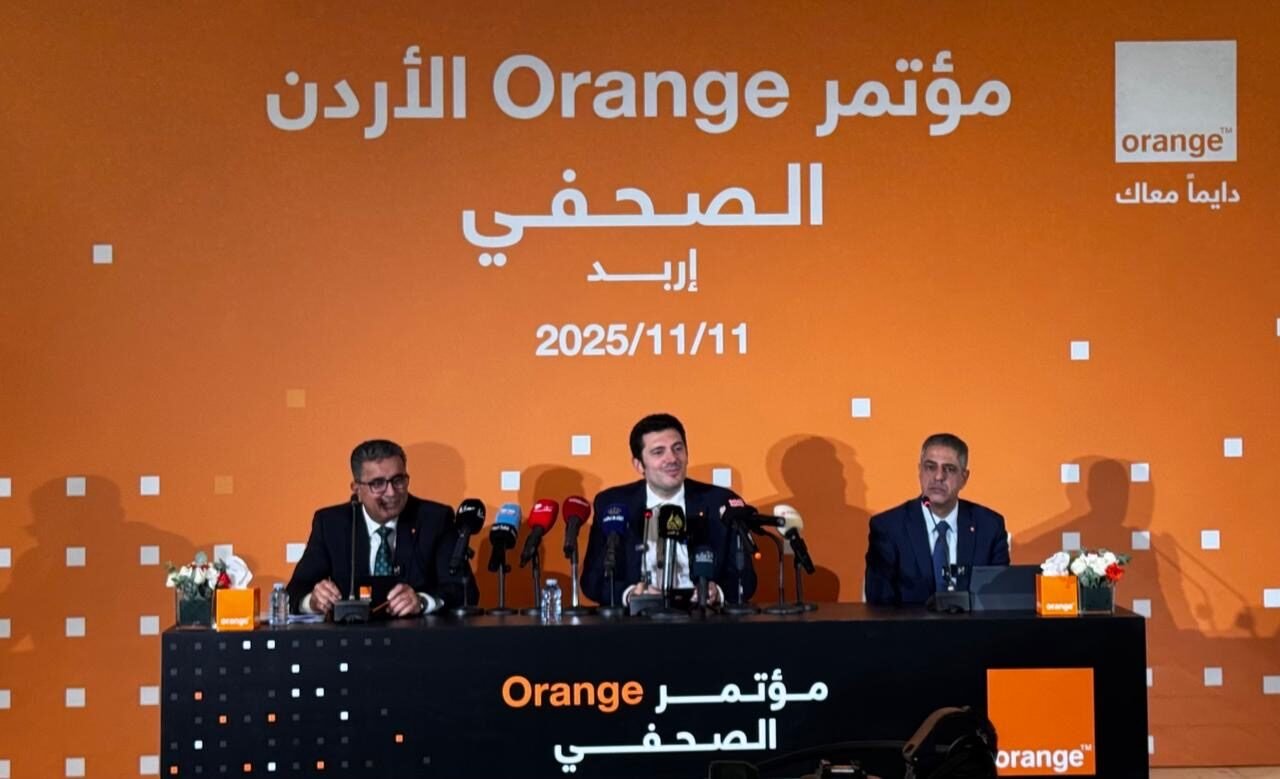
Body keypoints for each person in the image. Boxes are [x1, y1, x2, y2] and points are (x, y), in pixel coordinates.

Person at [580, 413, 757, 608]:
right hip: (638, 617)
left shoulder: (720, 503)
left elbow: (745, 579)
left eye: (678, 448)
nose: (672, 459)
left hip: (703, 615)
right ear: (639, 465)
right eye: (658, 452)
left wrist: (718, 593)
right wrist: (630, 594)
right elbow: (593, 581)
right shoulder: (613, 504)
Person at [286, 439, 478, 616]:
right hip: (350, 636)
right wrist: (311, 601)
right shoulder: (331, 524)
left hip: (416, 636)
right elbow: (294, 592)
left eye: (398, 480)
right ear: (356, 489)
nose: (392, 492)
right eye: (378, 484)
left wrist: (422, 601)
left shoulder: (434, 519)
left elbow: (464, 591)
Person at [865, 433, 1010, 606]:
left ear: (964, 478)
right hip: (908, 623)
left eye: (949, 469)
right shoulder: (888, 528)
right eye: (930, 467)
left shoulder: (989, 526)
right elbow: (879, 603)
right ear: (920, 471)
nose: (939, 477)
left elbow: (998, 598)